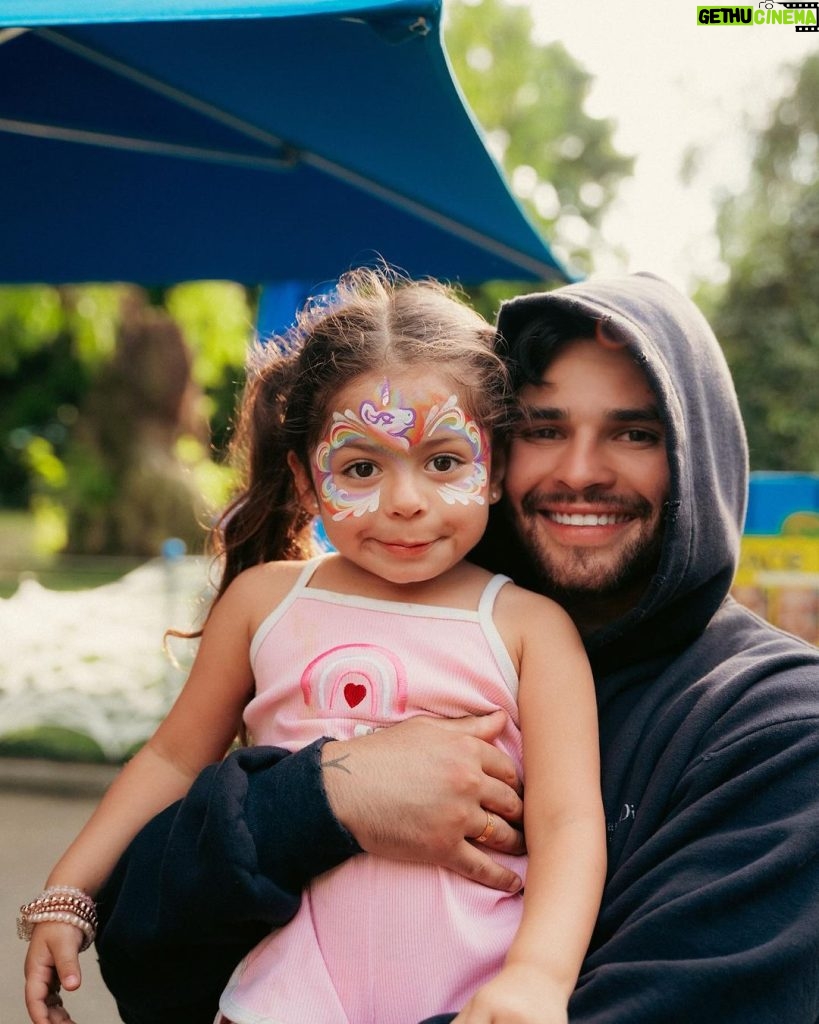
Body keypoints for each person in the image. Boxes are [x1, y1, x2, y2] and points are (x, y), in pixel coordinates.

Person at [31, 271, 819, 1024]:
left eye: (635, 432)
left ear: (485, 465)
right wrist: (319, 798)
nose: (405, 502)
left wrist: (537, 977)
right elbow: (157, 880)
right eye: (546, 427)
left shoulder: (764, 723)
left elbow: (570, 826)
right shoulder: (270, 603)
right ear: (311, 480)